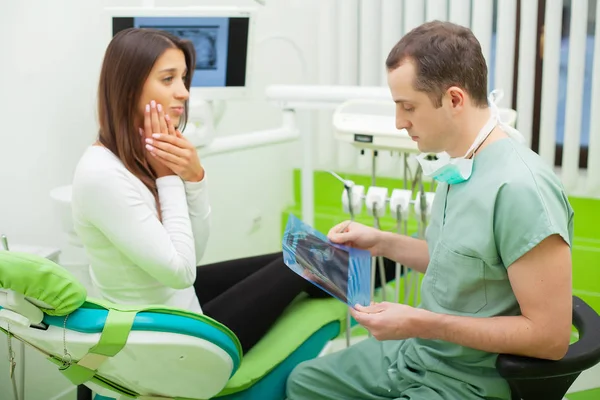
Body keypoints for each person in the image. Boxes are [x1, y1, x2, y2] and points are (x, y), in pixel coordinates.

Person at [285, 20, 574, 400]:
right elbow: (461, 267)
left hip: (470, 379)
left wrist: (422, 322)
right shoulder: (460, 167)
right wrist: (380, 241)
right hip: (419, 355)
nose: (399, 122)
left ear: (454, 100)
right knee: (305, 383)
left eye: (408, 107)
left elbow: (550, 339)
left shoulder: (521, 190)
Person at [70, 27, 396, 355]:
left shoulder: (142, 158)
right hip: (167, 341)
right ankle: (393, 272)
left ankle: (392, 262)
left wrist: (195, 179)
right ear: (128, 89)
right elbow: (182, 272)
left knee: (300, 249)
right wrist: (171, 179)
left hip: (171, 305)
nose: (183, 92)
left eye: (184, 79)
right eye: (168, 79)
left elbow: (190, 257)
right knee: (300, 262)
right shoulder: (102, 175)